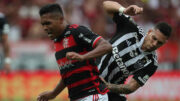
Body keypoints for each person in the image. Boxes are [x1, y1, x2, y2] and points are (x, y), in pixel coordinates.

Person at [97, 1, 172, 101]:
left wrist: (108, 86)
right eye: (154, 38)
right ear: (149, 32)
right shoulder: (131, 28)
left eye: (159, 43)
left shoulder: (151, 64)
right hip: (93, 71)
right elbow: (106, 5)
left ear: (164, 43)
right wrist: (124, 10)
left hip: (111, 88)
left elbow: (131, 87)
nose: (154, 44)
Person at [37, 4, 112, 101]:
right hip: (76, 98)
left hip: (93, 95)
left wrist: (83, 57)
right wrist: (53, 94)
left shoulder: (76, 32)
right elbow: (67, 75)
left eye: (48, 23)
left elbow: (106, 46)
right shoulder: (57, 43)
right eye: (43, 24)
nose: (45, 28)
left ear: (60, 20)